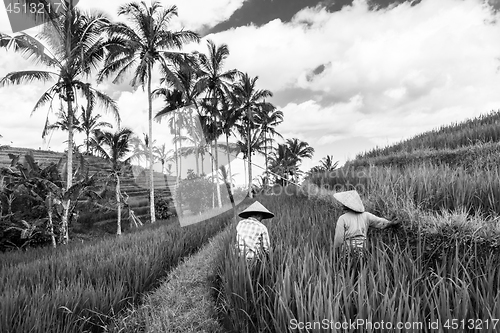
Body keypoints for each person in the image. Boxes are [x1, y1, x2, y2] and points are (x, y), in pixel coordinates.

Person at [332, 190, 399, 256]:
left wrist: (336, 254)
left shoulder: (342, 218)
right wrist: (391, 223)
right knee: (360, 266)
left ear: (346, 205)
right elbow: (380, 222)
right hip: (362, 252)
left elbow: (339, 239)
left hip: (347, 252)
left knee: (349, 266)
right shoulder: (366, 215)